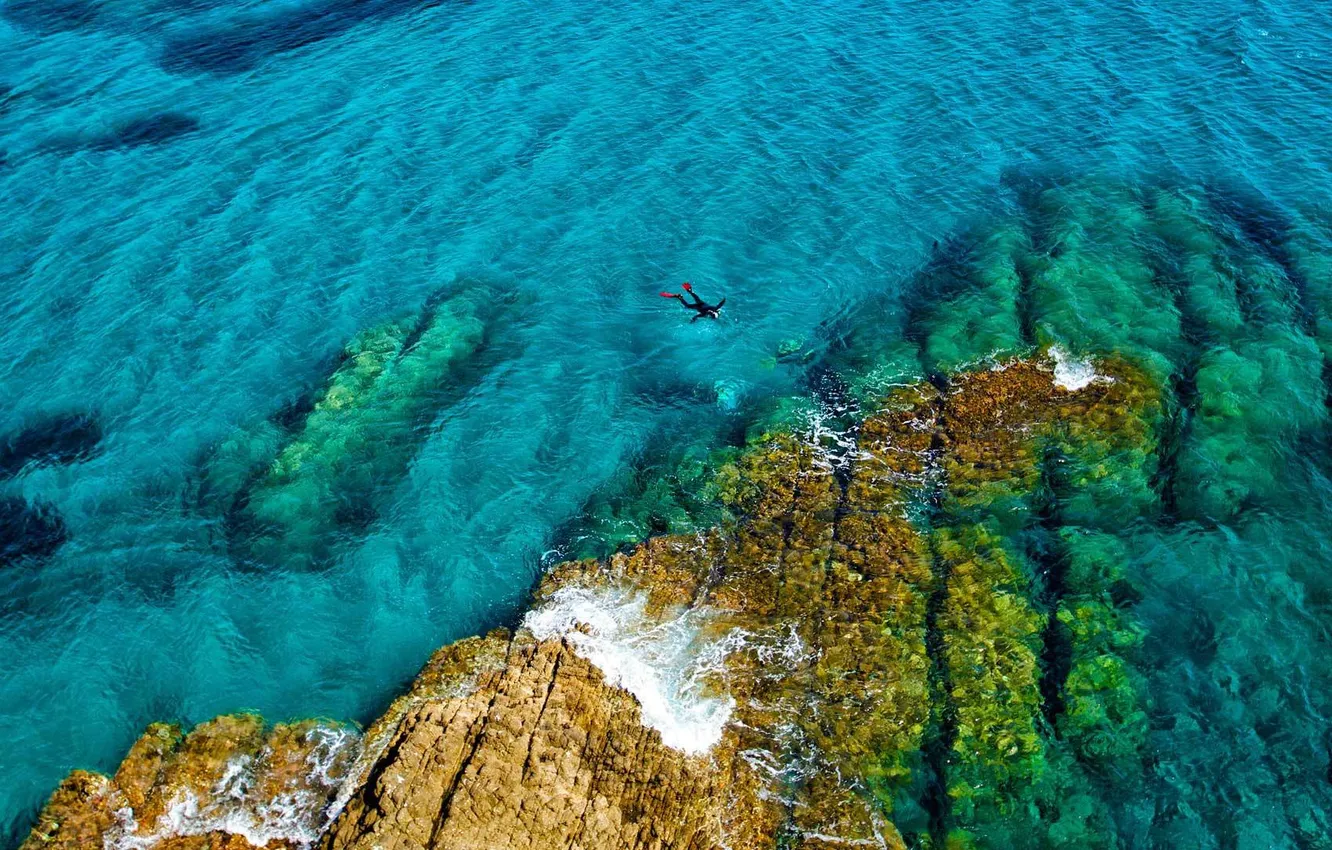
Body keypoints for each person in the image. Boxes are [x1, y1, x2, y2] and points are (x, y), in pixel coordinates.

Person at [659, 282, 725, 322]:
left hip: (700, 305)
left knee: (690, 304)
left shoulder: (704, 314)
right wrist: (723, 301)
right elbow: (719, 305)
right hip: (701, 305)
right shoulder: (711, 311)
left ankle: (682, 296)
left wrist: (693, 320)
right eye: (712, 313)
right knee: (693, 301)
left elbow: (695, 317)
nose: (710, 312)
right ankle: (685, 294)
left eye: (711, 313)